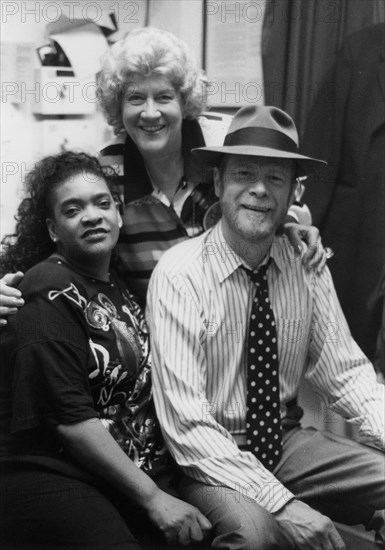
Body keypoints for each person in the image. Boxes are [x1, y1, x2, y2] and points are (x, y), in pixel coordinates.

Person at [147, 105, 385, 550]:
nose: (259, 190)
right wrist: (283, 504)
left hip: (284, 440)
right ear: (218, 182)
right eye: (243, 174)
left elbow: (347, 373)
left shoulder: (304, 264)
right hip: (210, 457)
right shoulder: (179, 275)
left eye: (275, 178)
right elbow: (188, 424)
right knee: (255, 534)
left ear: (295, 192)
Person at [0, 27, 327, 320]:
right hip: (160, 344)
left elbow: (264, 197)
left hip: (234, 327)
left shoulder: (221, 149)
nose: (150, 112)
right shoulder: (107, 170)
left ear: (185, 102)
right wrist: (9, 284)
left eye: (164, 97)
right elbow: (57, 243)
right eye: (136, 98)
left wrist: (291, 226)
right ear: (118, 107)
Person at [0, 152, 211, 550]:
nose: (92, 216)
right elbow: (68, 419)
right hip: (53, 473)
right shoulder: (48, 286)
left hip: (117, 476)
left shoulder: (117, 284)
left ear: (119, 214)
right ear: (53, 229)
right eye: (73, 209)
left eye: (102, 204)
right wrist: (153, 498)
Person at [302, 23, 385, 363]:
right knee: (347, 366)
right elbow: (322, 151)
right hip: (361, 248)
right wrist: (303, 225)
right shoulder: (361, 49)